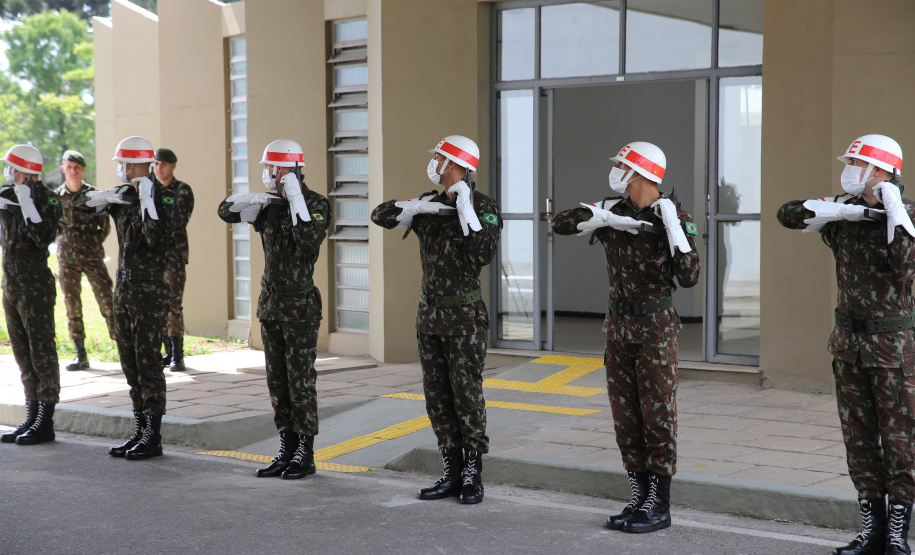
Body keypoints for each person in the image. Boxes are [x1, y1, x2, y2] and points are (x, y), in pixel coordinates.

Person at [551, 141, 701, 533]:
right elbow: (560, 223)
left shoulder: (673, 215)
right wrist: (598, 216)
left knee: (657, 416)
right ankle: (639, 497)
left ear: (640, 172)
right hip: (617, 328)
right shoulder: (612, 210)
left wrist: (672, 227)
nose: (616, 171)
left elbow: (689, 276)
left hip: (654, 330)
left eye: (622, 165)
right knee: (626, 416)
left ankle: (659, 506)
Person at [777, 134, 914, 555]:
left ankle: (897, 535)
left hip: (892, 349)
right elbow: (787, 214)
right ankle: (871, 531)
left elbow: (906, 267)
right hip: (848, 345)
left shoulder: (908, 215)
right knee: (858, 440)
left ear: (882, 170)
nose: (849, 170)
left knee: (900, 442)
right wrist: (837, 209)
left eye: (857, 163)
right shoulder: (845, 211)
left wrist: (892, 212)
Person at [370, 135, 502, 505]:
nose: (435, 163)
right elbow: (380, 216)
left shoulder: (483, 206)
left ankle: (472, 475)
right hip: (429, 317)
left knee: (466, 396)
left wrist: (465, 208)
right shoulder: (428, 203)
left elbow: (483, 253)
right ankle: (451, 472)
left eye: (440, 158)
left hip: (464, 318)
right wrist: (413, 207)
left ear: (456, 164)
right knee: (438, 399)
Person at [218, 139, 330, 481]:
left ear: (287, 169)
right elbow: (225, 213)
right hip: (271, 306)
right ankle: (286, 448)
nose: (267, 172)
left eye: (271, 167)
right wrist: (247, 201)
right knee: (277, 381)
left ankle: (305, 454)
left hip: (300, 307)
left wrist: (296, 201)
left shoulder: (316, 204)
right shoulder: (269, 205)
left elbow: (308, 242)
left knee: (301, 381)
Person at [73, 135, 177, 461]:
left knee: (148, 364)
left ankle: (152, 436)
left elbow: (157, 240)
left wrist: (147, 201)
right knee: (129, 363)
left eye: (122, 163)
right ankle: (140, 428)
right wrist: (103, 197)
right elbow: (78, 206)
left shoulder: (164, 197)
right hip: (124, 290)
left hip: (148, 292)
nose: (119, 168)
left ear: (134, 164)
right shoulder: (122, 195)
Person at [0, 144, 63, 445]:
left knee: (41, 352)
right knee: (22, 353)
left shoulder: (48, 199)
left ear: (24, 170)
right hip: (10, 281)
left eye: (11, 167)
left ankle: (45, 422)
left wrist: (27, 204)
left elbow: (42, 238)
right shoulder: (9, 194)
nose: (7, 171)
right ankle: (31, 415)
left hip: (35, 283)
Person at [55, 150, 116, 371]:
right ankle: (80, 354)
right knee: (72, 306)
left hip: (92, 257)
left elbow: (105, 227)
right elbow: (53, 226)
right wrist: (65, 242)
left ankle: (125, 348)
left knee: (107, 301)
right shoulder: (55, 197)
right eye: (69, 167)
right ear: (63, 169)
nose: (73, 171)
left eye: (77, 167)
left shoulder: (94, 195)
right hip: (67, 260)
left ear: (83, 169)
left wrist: (91, 244)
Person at [153, 148, 194, 372]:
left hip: (174, 256)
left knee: (173, 303)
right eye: (156, 163)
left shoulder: (182, 190)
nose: (159, 168)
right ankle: (167, 351)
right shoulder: (150, 188)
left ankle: (178, 355)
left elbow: (177, 219)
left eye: (164, 164)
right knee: (157, 303)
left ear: (173, 166)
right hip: (153, 256)